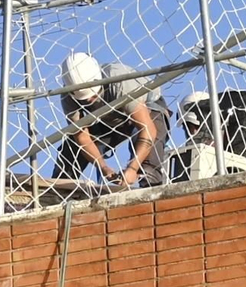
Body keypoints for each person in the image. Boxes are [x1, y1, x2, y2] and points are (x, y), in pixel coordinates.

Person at [51, 52, 168, 189]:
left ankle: (152, 194)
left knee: (148, 163)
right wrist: (103, 166)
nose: (88, 100)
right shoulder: (68, 95)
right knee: (70, 149)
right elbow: (82, 137)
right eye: (83, 99)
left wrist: (132, 167)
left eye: (93, 95)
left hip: (148, 109)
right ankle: (58, 194)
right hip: (110, 120)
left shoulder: (119, 80)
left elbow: (147, 130)